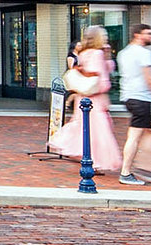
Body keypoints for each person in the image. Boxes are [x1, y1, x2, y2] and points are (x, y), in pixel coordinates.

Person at [48, 27, 120, 171]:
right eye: (104, 35)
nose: (106, 38)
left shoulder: (83, 53)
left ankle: (87, 157)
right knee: (99, 129)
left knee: (83, 126)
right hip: (95, 98)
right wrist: (106, 88)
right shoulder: (97, 54)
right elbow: (103, 77)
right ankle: (96, 161)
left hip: (82, 96)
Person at [115, 25, 151, 187]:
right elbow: (149, 78)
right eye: (148, 33)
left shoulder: (124, 53)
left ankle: (146, 166)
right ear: (137, 35)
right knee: (135, 137)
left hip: (130, 96)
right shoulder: (144, 54)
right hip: (140, 98)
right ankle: (127, 172)